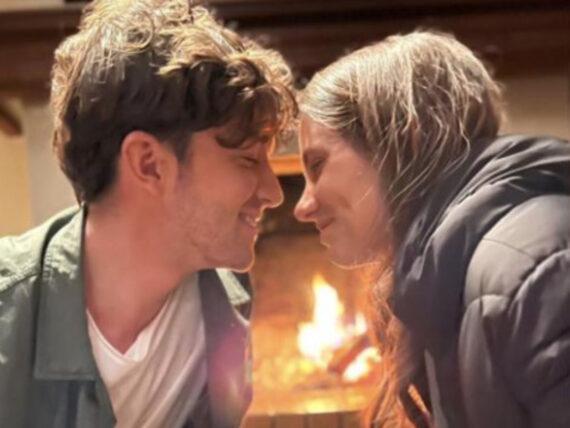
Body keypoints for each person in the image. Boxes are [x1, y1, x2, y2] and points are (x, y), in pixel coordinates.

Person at [0, 1, 295, 427]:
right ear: (149, 163)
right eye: (248, 160)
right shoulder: (9, 318)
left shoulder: (227, 302)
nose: (273, 193)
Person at [294, 31, 570, 428]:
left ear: (404, 137)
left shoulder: (534, 268)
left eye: (318, 165)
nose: (302, 207)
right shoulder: (447, 277)